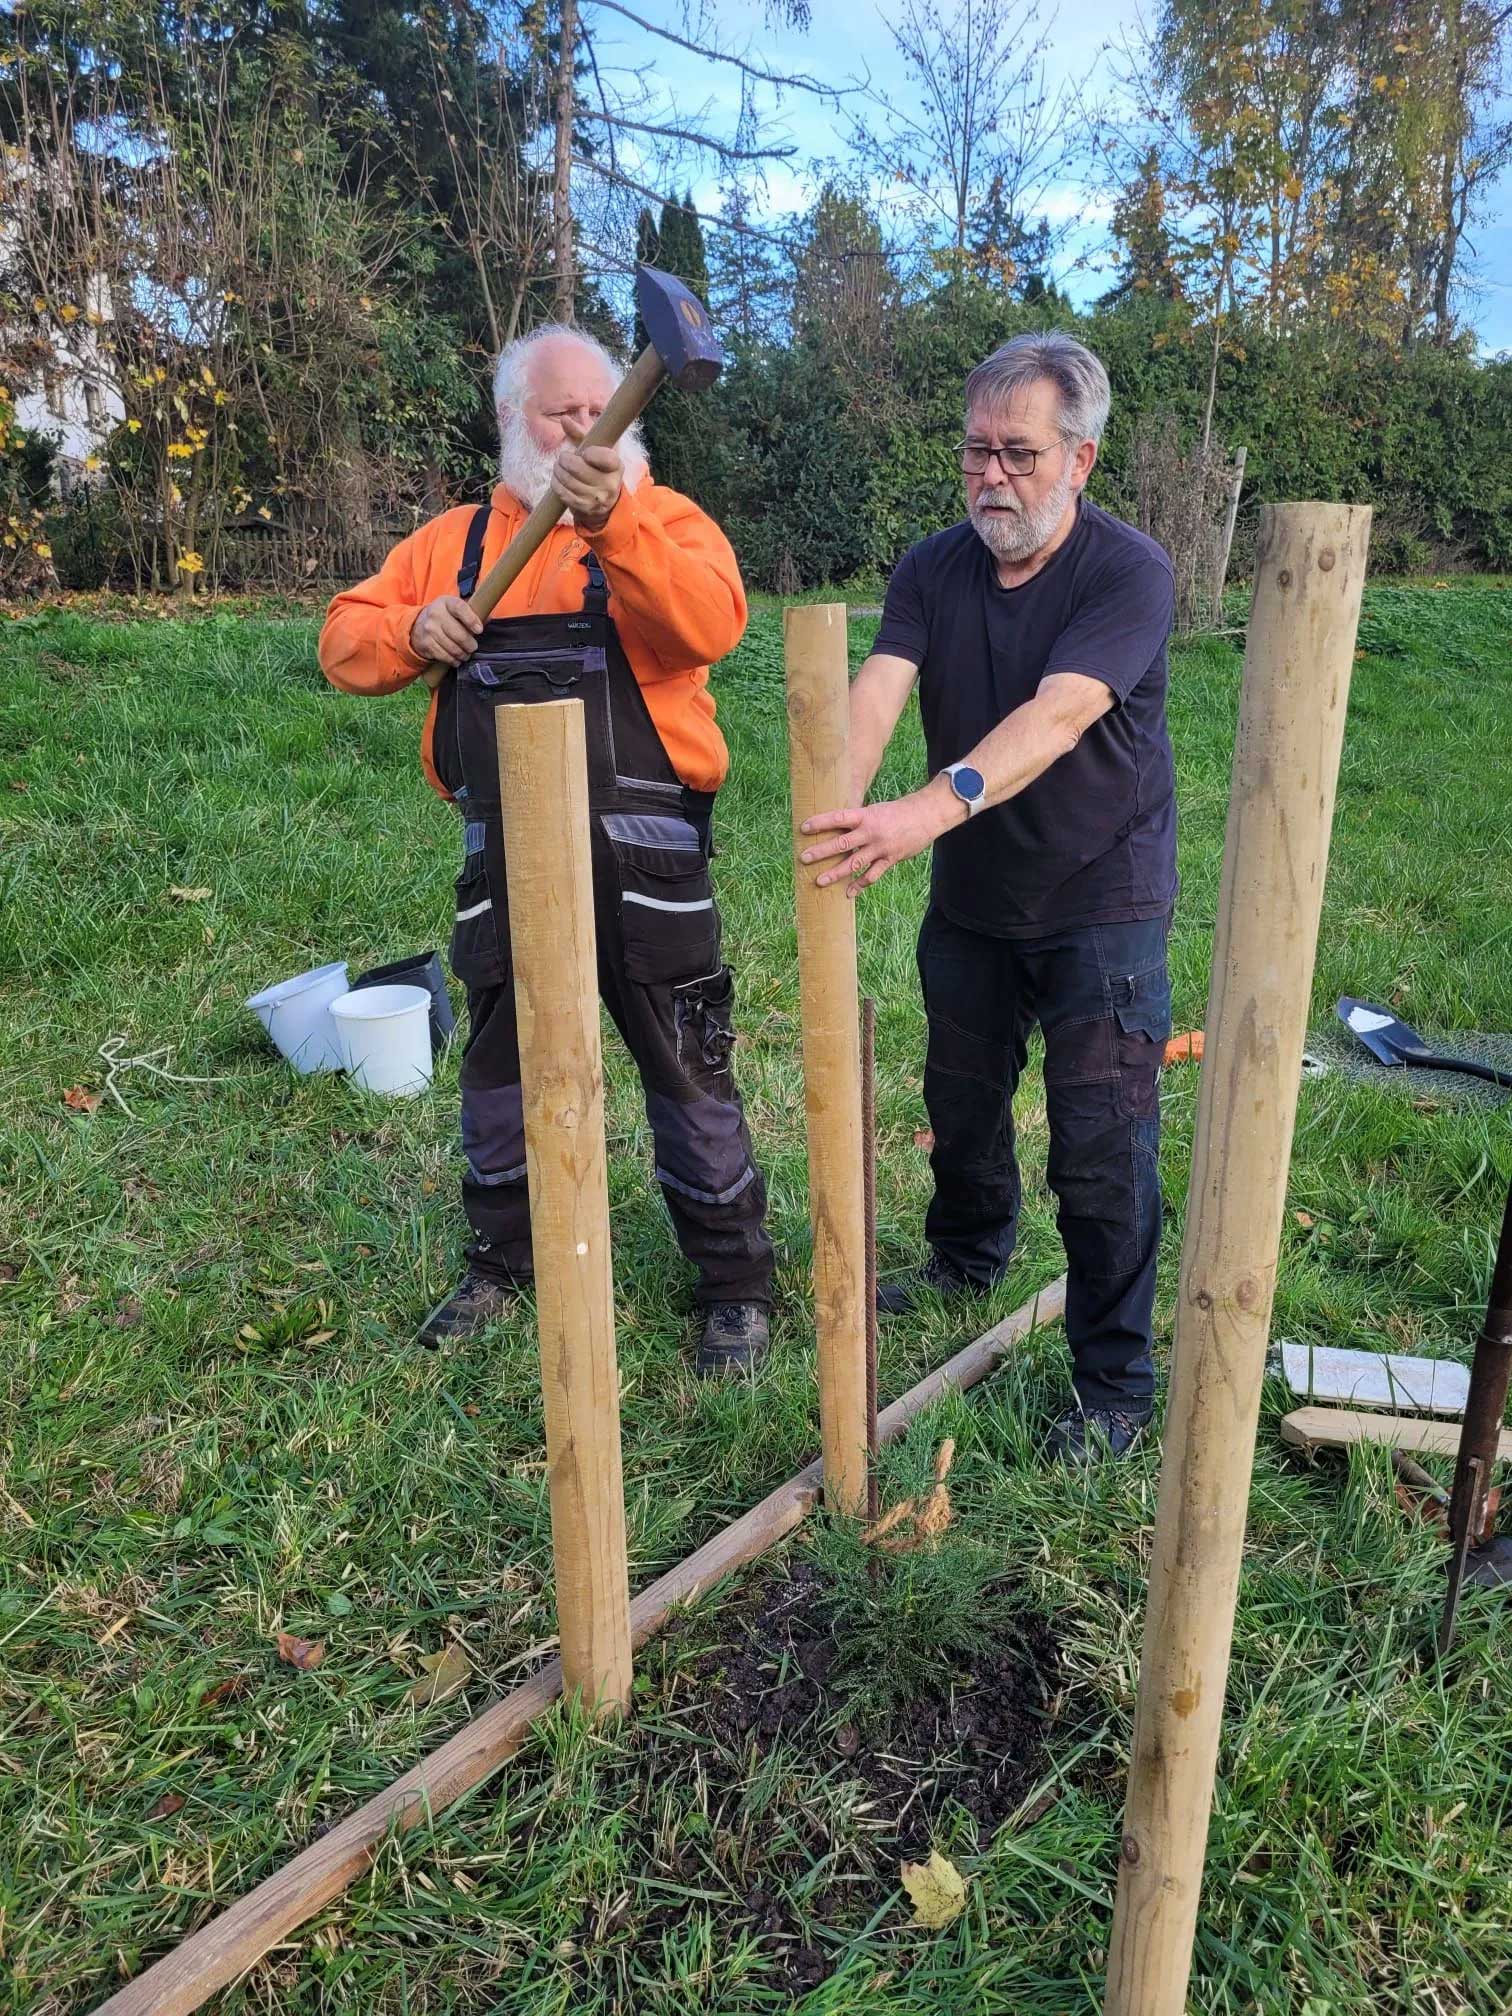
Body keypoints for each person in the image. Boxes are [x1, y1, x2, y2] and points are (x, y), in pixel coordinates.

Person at [319, 325, 775, 1373]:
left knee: (687, 1064)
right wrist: (410, 631)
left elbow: (712, 625)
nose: (583, 426)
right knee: (496, 1071)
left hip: (646, 860)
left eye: (596, 407)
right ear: (511, 421)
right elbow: (342, 641)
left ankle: (734, 1285)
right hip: (505, 857)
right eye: (560, 410)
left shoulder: (663, 519)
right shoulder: (452, 547)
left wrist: (613, 525)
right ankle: (502, 1261)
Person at [798, 331, 1176, 1464]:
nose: (992, 476)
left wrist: (922, 810)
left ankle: (1115, 1384)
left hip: (1101, 897)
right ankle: (969, 1258)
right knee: (960, 1102)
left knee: (1100, 1145)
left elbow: (1058, 717)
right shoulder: (932, 568)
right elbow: (879, 689)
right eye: (976, 451)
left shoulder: (1127, 572)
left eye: (1019, 452)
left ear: (1080, 459)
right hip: (973, 897)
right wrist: (835, 798)